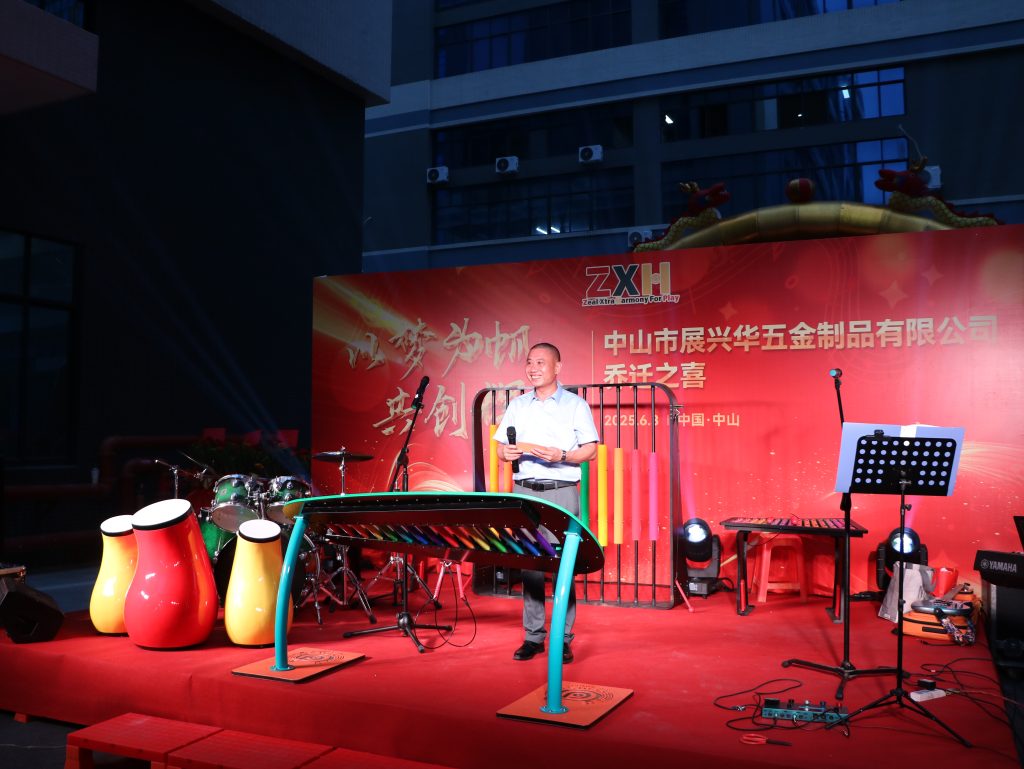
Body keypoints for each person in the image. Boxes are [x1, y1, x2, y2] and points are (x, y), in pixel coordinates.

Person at [494, 342, 599, 663]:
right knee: (530, 564)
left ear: (557, 367)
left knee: (563, 565)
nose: (533, 368)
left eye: (541, 362)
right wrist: (505, 452)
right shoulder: (518, 405)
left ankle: (562, 638)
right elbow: (500, 449)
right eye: (530, 362)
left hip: (561, 491)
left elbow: (591, 450)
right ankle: (533, 636)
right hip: (524, 491)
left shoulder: (575, 405)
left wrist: (562, 455)